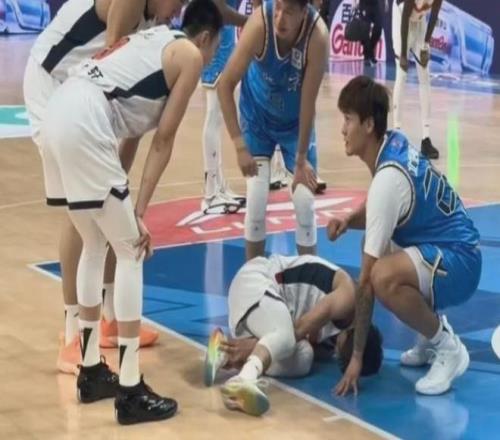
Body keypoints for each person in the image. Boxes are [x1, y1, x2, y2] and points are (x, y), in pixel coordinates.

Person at [40, 0, 223, 424]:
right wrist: (138, 212)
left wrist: (125, 206)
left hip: (61, 110)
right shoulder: (190, 56)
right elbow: (164, 139)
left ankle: (91, 371)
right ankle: (129, 388)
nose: (210, 59)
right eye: (215, 50)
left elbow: (132, 133)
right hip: (85, 118)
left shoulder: (152, 39)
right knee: (131, 251)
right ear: (205, 39)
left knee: (94, 243)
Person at [23, 0, 187, 375]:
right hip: (53, 84)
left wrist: (122, 180)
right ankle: (72, 336)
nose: (178, 11)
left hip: (85, 95)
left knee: (112, 204)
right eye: (178, 1)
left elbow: (128, 102)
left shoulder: (155, 20)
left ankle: (111, 317)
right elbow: (110, 70)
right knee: (80, 210)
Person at [330, 75, 481, 397]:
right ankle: (429, 336)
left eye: (348, 119)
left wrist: (356, 357)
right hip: (454, 249)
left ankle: (448, 347)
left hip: (460, 262)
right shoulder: (393, 142)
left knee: (382, 276)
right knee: (377, 245)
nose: (342, 129)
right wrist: (348, 220)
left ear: (368, 125)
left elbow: (366, 283)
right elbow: (385, 208)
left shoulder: (387, 180)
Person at [218, 0, 329, 261]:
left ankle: (308, 277)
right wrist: (239, 145)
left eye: (288, 12)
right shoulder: (259, 24)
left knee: (305, 204)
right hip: (257, 118)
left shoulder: (317, 37)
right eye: (277, 7)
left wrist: (300, 161)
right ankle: (253, 277)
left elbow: (308, 104)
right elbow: (225, 85)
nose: (280, 18)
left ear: (304, 12)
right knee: (256, 201)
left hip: (294, 124)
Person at [204, 254, 383, 416]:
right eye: (344, 356)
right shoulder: (349, 296)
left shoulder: (331, 343)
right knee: (287, 336)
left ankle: (223, 353)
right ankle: (244, 378)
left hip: (260, 316)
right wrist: (254, 346)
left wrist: (258, 345)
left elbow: (295, 345)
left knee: (304, 357)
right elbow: (299, 328)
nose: (337, 354)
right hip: (257, 282)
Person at [200, 0, 248, 214]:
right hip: (214, 37)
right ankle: (210, 193)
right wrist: (249, 21)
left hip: (223, 36)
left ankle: (219, 186)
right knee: (213, 115)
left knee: (216, 116)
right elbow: (219, 7)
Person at [392, 0, 443, 159]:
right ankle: (397, 135)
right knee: (402, 74)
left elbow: (434, 15)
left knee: (425, 75)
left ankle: (426, 139)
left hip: (419, 21)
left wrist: (425, 45)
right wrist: (403, 54)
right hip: (401, 19)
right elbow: (405, 17)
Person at [354, 0, 388, 67]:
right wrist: (355, 2)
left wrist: (386, 1)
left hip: (375, 4)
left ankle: (369, 51)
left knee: (378, 28)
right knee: (365, 30)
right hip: (364, 4)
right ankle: (368, 56)